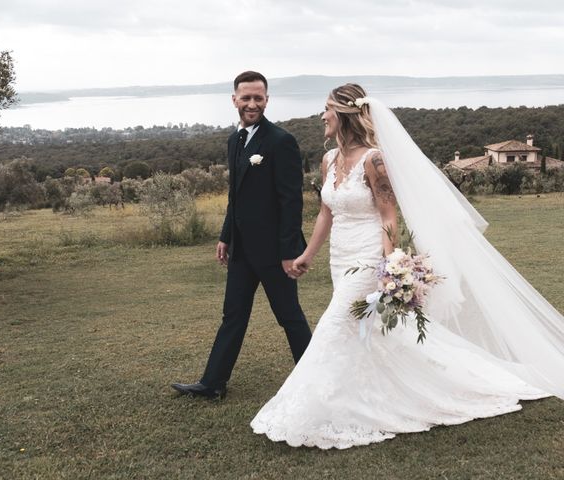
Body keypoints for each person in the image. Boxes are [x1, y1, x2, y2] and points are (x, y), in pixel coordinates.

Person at [251, 83, 564, 449]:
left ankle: (310, 409)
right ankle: (371, 391)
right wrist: (307, 255)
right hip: (340, 256)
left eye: (327, 109)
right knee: (367, 333)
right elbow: (325, 212)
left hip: (369, 256)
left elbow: (388, 214)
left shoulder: (374, 160)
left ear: (344, 114)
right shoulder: (328, 160)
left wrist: (389, 262)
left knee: (334, 325)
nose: (321, 116)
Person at [171, 71, 312, 399]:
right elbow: (236, 197)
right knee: (232, 316)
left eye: (258, 98)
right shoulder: (234, 141)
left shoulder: (280, 141)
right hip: (242, 251)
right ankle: (212, 383)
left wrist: (290, 251)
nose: (252, 104)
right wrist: (225, 236)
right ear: (234, 99)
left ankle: (313, 380)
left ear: (267, 99)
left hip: (276, 253)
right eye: (246, 98)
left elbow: (291, 202)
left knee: (289, 317)